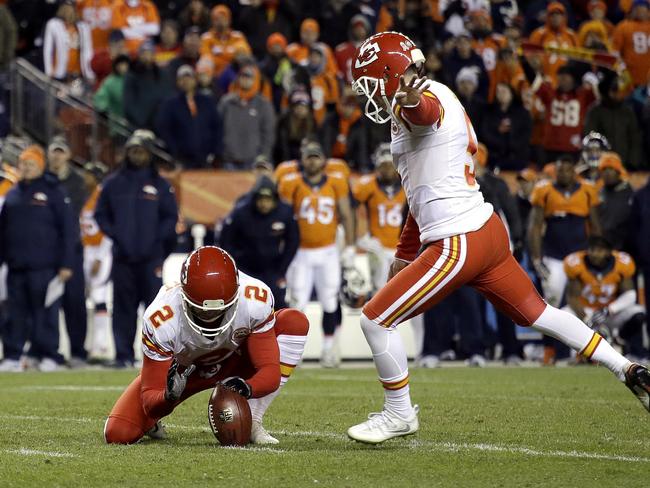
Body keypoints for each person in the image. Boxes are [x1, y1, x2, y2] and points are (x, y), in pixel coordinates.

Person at [346, 31, 650, 444]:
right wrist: (403, 250)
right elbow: (422, 190)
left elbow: (426, 113)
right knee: (538, 313)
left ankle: (399, 414)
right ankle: (627, 368)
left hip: (458, 239)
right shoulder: (431, 95)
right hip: (483, 232)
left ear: (391, 76)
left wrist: (410, 98)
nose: (371, 98)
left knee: (375, 320)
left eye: (372, 84)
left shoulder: (422, 99)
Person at [104, 245, 309, 445]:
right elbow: (151, 402)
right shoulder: (162, 319)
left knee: (294, 322)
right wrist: (167, 396)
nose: (211, 316)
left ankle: (253, 421)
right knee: (118, 433)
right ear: (183, 297)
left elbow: (270, 373)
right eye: (201, 310)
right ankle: (150, 425)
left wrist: (247, 387)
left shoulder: (254, 299)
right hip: (185, 372)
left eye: (221, 310)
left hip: (234, 360)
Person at [94, 132, 178, 368]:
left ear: (149, 154)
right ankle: (123, 356)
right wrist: (116, 234)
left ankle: (156, 358)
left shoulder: (161, 185)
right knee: (122, 309)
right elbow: (101, 214)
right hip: (122, 257)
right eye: (132, 151)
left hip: (151, 259)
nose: (136, 155)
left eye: (140, 151)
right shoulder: (113, 183)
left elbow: (171, 218)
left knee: (155, 312)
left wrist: (157, 244)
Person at [278, 140, 355, 367]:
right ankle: (293, 353)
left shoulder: (336, 182)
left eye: (316, 157)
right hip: (300, 252)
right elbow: (283, 215)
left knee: (330, 301)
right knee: (297, 302)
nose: (312, 161)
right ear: (303, 160)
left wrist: (350, 246)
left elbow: (347, 214)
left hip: (328, 251)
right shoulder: (290, 182)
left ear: (323, 160)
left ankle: (329, 349)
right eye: (309, 157)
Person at [0, 145, 74, 372]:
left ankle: (49, 355)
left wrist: (66, 263)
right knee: (15, 314)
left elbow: (69, 230)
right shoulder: (13, 193)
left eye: (31, 164)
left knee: (46, 314)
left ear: (40, 166)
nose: (26, 168)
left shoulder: (54, 191)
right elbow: (3, 231)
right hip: (16, 266)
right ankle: (12, 355)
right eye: (23, 164)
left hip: (45, 267)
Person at [219, 176, 299, 309]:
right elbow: (225, 240)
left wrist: (282, 269)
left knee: (277, 306)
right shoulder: (240, 212)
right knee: (244, 307)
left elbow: (293, 242)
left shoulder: (285, 212)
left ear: (275, 199)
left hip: (273, 268)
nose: (264, 204)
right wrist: (236, 266)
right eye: (261, 199)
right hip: (246, 269)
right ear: (254, 199)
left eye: (268, 200)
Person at [564, 236, 646, 358]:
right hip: (586, 311)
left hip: (610, 313)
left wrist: (609, 310)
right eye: (592, 249)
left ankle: (622, 340)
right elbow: (572, 298)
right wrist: (587, 319)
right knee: (564, 314)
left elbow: (630, 295)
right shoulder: (577, 263)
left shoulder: (621, 263)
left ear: (608, 252)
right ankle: (569, 354)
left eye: (599, 250)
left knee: (638, 312)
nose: (594, 254)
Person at [47, 136, 90, 366]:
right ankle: (48, 352)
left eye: (61, 151)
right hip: (48, 250)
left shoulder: (77, 182)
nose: (56, 156)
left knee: (74, 303)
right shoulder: (43, 178)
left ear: (68, 155)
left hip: (72, 248)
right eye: (54, 151)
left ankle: (77, 352)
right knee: (49, 304)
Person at [352, 143, 406, 292]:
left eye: (390, 164)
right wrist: (361, 234)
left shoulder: (407, 184)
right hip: (378, 246)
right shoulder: (367, 185)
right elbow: (351, 209)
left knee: (406, 291)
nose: (387, 168)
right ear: (377, 165)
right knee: (380, 291)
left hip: (403, 247)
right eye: (384, 164)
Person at [156, 65, 220, 169]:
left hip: (205, 158)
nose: (186, 81)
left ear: (195, 80)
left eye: (189, 78)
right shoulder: (170, 104)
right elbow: (164, 128)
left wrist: (214, 151)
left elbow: (216, 126)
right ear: (177, 81)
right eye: (182, 79)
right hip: (181, 159)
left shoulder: (207, 101)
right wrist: (175, 150)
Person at [80, 162, 112, 361]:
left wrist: (100, 256)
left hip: (99, 250)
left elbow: (108, 229)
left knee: (99, 295)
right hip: (88, 249)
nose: (85, 179)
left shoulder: (102, 195)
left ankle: (101, 346)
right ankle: (95, 345)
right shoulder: (91, 196)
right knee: (91, 296)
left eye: (88, 175)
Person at [218, 63, 276, 169]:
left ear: (255, 80)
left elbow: (268, 133)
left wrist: (263, 156)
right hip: (229, 159)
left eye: (249, 77)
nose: (245, 80)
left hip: (253, 161)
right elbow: (217, 129)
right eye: (242, 76)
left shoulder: (263, 104)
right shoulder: (226, 102)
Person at [596, 152, 634, 250]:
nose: (607, 173)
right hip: (604, 244)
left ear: (618, 172)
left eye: (611, 169)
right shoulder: (598, 192)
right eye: (604, 169)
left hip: (626, 245)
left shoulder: (630, 192)